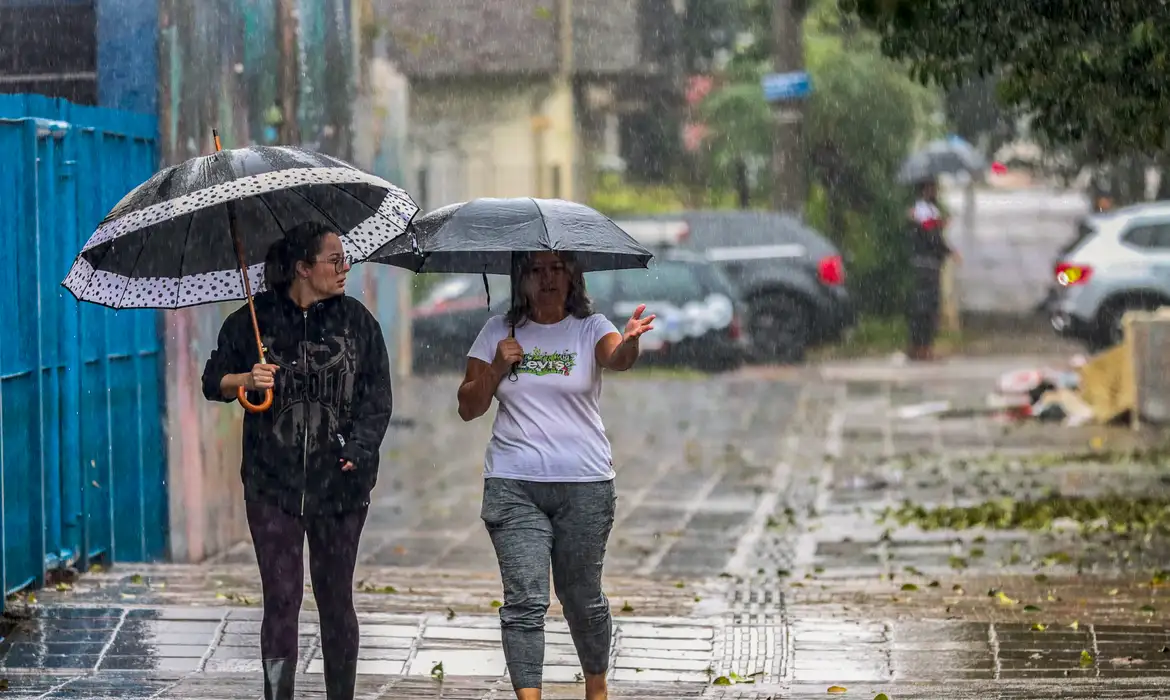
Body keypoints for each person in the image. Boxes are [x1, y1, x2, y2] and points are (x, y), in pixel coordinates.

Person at [201, 221, 392, 700]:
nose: (344, 267)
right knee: (282, 600)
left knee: (335, 601)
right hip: (272, 487)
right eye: (334, 259)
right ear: (303, 268)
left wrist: (360, 449)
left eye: (344, 258)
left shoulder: (357, 323)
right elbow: (213, 382)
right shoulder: (252, 321)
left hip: (341, 489)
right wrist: (246, 377)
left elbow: (377, 399)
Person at [456, 251, 655, 700]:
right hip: (513, 484)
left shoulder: (590, 328)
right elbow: (468, 406)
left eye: (556, 269)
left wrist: (631, 341)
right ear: (521, 279)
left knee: (582, 599)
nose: (547, 279)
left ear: (572, 277)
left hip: (584, 485)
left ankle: (596, 688)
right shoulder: (496, 332)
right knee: (525, 600)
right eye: (536, 270)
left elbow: (617, 358)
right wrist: (495, 368)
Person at [906, 178, 957, 361]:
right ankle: (922, 347)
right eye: (932, 188)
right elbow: (932, 237)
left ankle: (919, 346)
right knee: (927, 307)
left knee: (922, 306)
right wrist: (948, 248)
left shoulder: (922, 211)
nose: (935, 191)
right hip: (927, 265)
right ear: (926, 190)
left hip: (924, 263)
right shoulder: (923, 211)